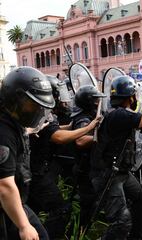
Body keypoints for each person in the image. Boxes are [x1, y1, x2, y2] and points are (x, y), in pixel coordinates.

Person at [27, 76, 101, 238]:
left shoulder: (41, 111)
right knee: (61, 209)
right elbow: (58, 136)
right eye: (58, 94)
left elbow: (53, 128)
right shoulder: (42, 112)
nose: (62, 99)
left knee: (32, 209)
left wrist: (72, 126)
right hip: (37, 172)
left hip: (34, 170)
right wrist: (89, 127)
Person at [90, 76, 142, 240]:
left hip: (120, 172)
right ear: (131, 97)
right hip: (108, 174)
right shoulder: (119, 115)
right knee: (121, 222)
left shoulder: (118, 114)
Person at [0, 66, 54, 240]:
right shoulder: (3, 132)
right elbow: (4, 185)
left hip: (16, 202)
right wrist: (23, 226)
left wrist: (28, 132)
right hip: (5, 206)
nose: (37, 109)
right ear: (15, 100)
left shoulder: (13, 122)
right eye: (33, 104)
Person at [71, 85, 106, 227]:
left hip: (89, 167)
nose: (98, 102)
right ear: (89, 102)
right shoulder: (83, 119)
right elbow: (80, 140)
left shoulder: (89, 116)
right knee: (88, 205)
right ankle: (80, 232)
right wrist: (102, 139)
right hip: (84, 169)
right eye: (96, 100)